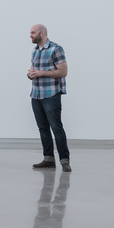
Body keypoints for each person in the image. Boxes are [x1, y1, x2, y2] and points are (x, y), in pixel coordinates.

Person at [27, 24, 70, 170]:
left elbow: (63, 72)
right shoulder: (34, 51)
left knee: (56, 128)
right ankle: (48, 159)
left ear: (42, 33)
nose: (30, 35)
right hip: (36, 95)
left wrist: (41, 73)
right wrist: (30, 74)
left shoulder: (56, 49)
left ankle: (64, 160)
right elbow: (34, 72)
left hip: (51, 94)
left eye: (33, 32)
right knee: (43, 128)